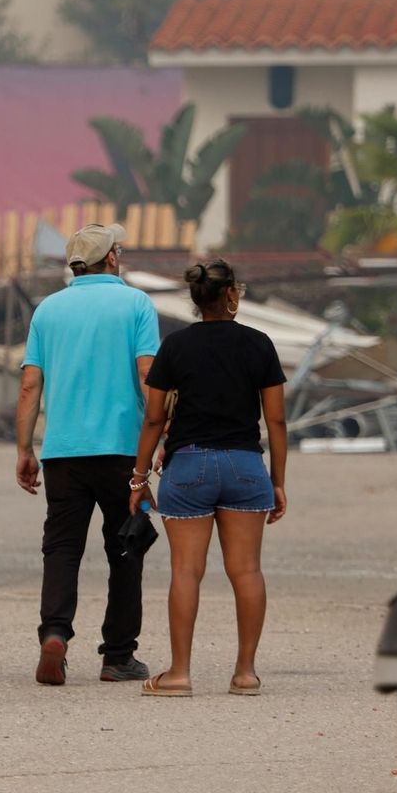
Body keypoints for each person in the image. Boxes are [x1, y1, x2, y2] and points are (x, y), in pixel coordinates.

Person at [132, 259, 287, 698]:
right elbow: (275, 421)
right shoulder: (259, 345)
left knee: (186, 571)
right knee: (247, 571)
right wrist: (277, 481)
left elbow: (153, 419)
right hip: (244, 465)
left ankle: (179, 674)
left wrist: (138, 479)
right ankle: (245, 673)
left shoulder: (175, 347)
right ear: (231, 294)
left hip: (188, 466)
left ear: (196, 300)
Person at [16, 223, 160, 686]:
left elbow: (29, 385)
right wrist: (161, 436)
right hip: (122, 450)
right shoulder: (136, 304)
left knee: (61, 548)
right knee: (126, 547)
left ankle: (55, 634)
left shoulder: (48, 310)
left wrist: (24, 449)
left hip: (63, 452)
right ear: (113, 258)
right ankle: (118, 655)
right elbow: (147, 375)